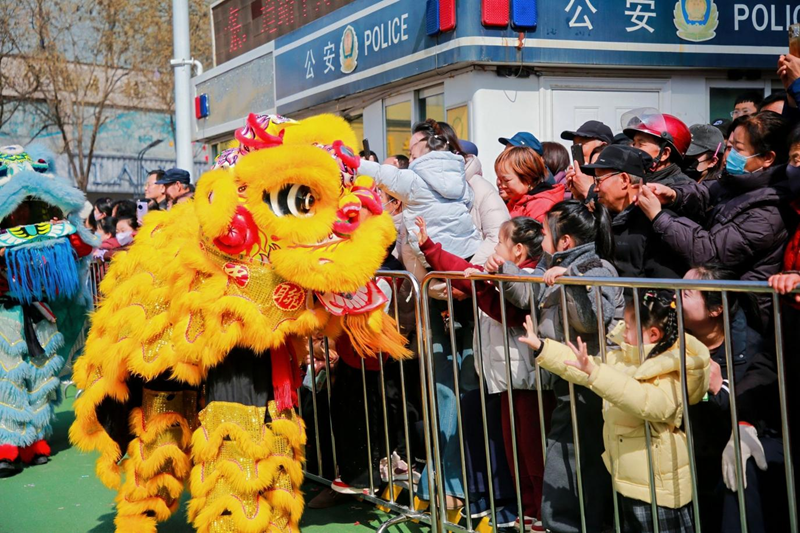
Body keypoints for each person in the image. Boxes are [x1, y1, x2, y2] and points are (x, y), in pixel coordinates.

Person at [519, 289, 710, 533]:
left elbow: (644, 401)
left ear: (652, 334)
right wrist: (543, 348)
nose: (622, 329)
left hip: (658, 491)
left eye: (629, 326)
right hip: (626, 482)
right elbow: (583, 368)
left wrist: (595, 374)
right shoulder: (625, 357)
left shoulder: (672, 368)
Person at [416, 215, 553, 529]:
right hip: (505, 380)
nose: (494, 248)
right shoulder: (496, 274)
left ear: (517, 251)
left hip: (530, 382)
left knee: (534, 454)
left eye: (500, 242)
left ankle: (542, 513)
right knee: (513, 451)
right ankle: (528, 510)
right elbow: (464, 274)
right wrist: (428, 245)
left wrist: (484, 284)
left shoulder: (529, 278)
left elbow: (509, 312)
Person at [497, 200, 623, 533]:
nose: (540, 234)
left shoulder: (596, 268)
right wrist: (503, 268)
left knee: (574, 460)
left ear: (565, 241)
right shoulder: (549, 266)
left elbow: (592, 322)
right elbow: (527, 296)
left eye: (546, 227)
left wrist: (572, 282)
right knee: (568, 456)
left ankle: (567, 525)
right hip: (564, 379)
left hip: (589, 381)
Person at [638, 111, 795, 329]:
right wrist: (674, 195)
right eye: (729, 147)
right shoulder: (736, 181)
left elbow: (710, 252)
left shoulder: (769, 211)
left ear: (767, 158)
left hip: (743, 316)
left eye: (739, 150)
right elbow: (705, 193)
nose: (729, 155)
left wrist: (659, 217)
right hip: (718, 309)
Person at [683, 265, 788, 533]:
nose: (674, 296)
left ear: (715, 309)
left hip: (727, 465)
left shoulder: (750, 352)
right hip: (694, 465)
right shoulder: (676, 340)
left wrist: (720, 390)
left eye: (686, 292)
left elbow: (757, 421)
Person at [585, 144, 688, 279]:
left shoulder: (658, 226)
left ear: (624, 180)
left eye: (599, 181)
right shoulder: (599, 218)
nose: (596, 189)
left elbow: (666, 287)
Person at [623, 110, 693, 185]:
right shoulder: (637, 177)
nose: (633, 149)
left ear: (664, 154)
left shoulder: (679, 189)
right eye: (634, 144)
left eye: (640, 144)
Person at [495, 146, 564, 221]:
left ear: (527, 178)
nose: (499, 183)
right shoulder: (514, 201)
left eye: (506, 180)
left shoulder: (541, 207)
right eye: (498, 178)